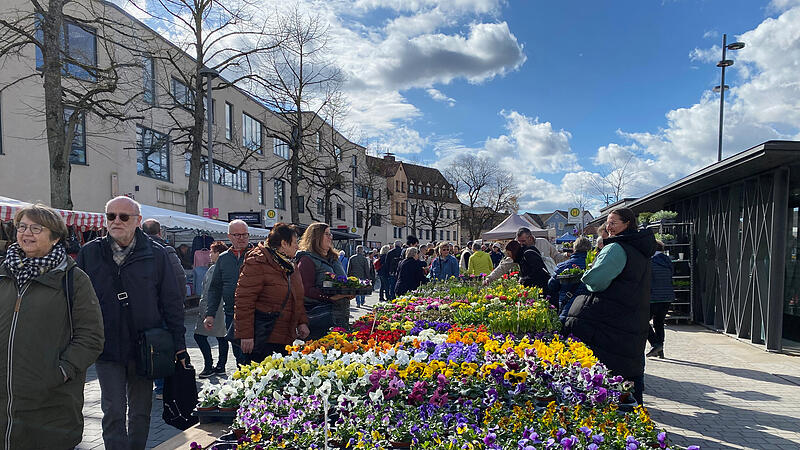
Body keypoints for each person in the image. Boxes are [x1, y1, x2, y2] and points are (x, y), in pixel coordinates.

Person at [77, 196, 187, 450]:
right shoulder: (90, 252)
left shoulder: (156, 253)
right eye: (111, 216)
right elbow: (77, 299)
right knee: (113, 410)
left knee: (140, 411)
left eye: (123, 216)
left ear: (137, 221)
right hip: (106, 345)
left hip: (145, 347)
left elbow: (171, 301)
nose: (116, 221)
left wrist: (179, 344)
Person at [0, 204, 104, 449]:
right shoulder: (3, 273)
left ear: (55, 237)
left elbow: (91, 336)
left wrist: (62, 371)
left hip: (50, 405)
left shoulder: (73, 279)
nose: (26, 233)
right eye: (22, 227)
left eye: (36, 228)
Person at [563, 208, 656, 406]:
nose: (608, 227)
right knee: (630, 376)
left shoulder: (617, 248)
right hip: (630, 319)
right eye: (607, 223)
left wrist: (586, 275)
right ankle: (637, 415)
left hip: (610, 323)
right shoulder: (640, 250)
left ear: (627, 224)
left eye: (613, 223)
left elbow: (595, 280)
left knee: (611, 377)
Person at [235, 223, 310, 363]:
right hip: (263, 337)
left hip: (284, 335)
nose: (297, 246)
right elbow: (244, 301)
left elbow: (296, 297)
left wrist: (302, 322)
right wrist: (246, 335)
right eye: (295, 242)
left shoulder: (289, 264)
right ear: (284, 243)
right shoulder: (257, 261)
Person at [203, 219, 251, 366]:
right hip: (231, 313)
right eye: (237, 235)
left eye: (245, 234)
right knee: (238, 354)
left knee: (252, 354)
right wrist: (210, 314)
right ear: (229, 236)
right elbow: (215, 288)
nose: (241, 238)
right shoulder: (223, 258)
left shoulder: (256, 255)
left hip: (253, 314)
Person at [296, 223, 353, 331]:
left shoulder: (334, 258)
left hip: (340, 315)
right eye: (327, 234)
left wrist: (349, 291)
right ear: (316, 237)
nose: (330, 237)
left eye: (330, 234)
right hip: (320, 317)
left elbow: (341, 281)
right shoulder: (306, 259)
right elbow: (305, 290)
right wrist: (330, 297)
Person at [193, 241, 230, 378]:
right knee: (222, 337)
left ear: (219, 253)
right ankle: (220, 366)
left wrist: (204, 310)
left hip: (212, 308)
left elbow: (208, 291)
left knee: (199, 336)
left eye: (212, 252)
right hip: (220, 307)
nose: (210, 255)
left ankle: (209, 365)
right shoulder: (222, 267)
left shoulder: (214, 269)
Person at [547, 237, 591, 321]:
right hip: (587, 309)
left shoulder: (562, 266)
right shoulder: (594, 266)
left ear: (574, 249)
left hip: (566, 309)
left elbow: (552, 286)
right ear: (589, 250)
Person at [647, 240, 675, 359]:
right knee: (659, 323)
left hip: (653, 297)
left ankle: (655, 344)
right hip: (667, 296)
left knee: (642, 321)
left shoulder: (650, 262)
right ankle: (660, 350)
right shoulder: (667, 261)